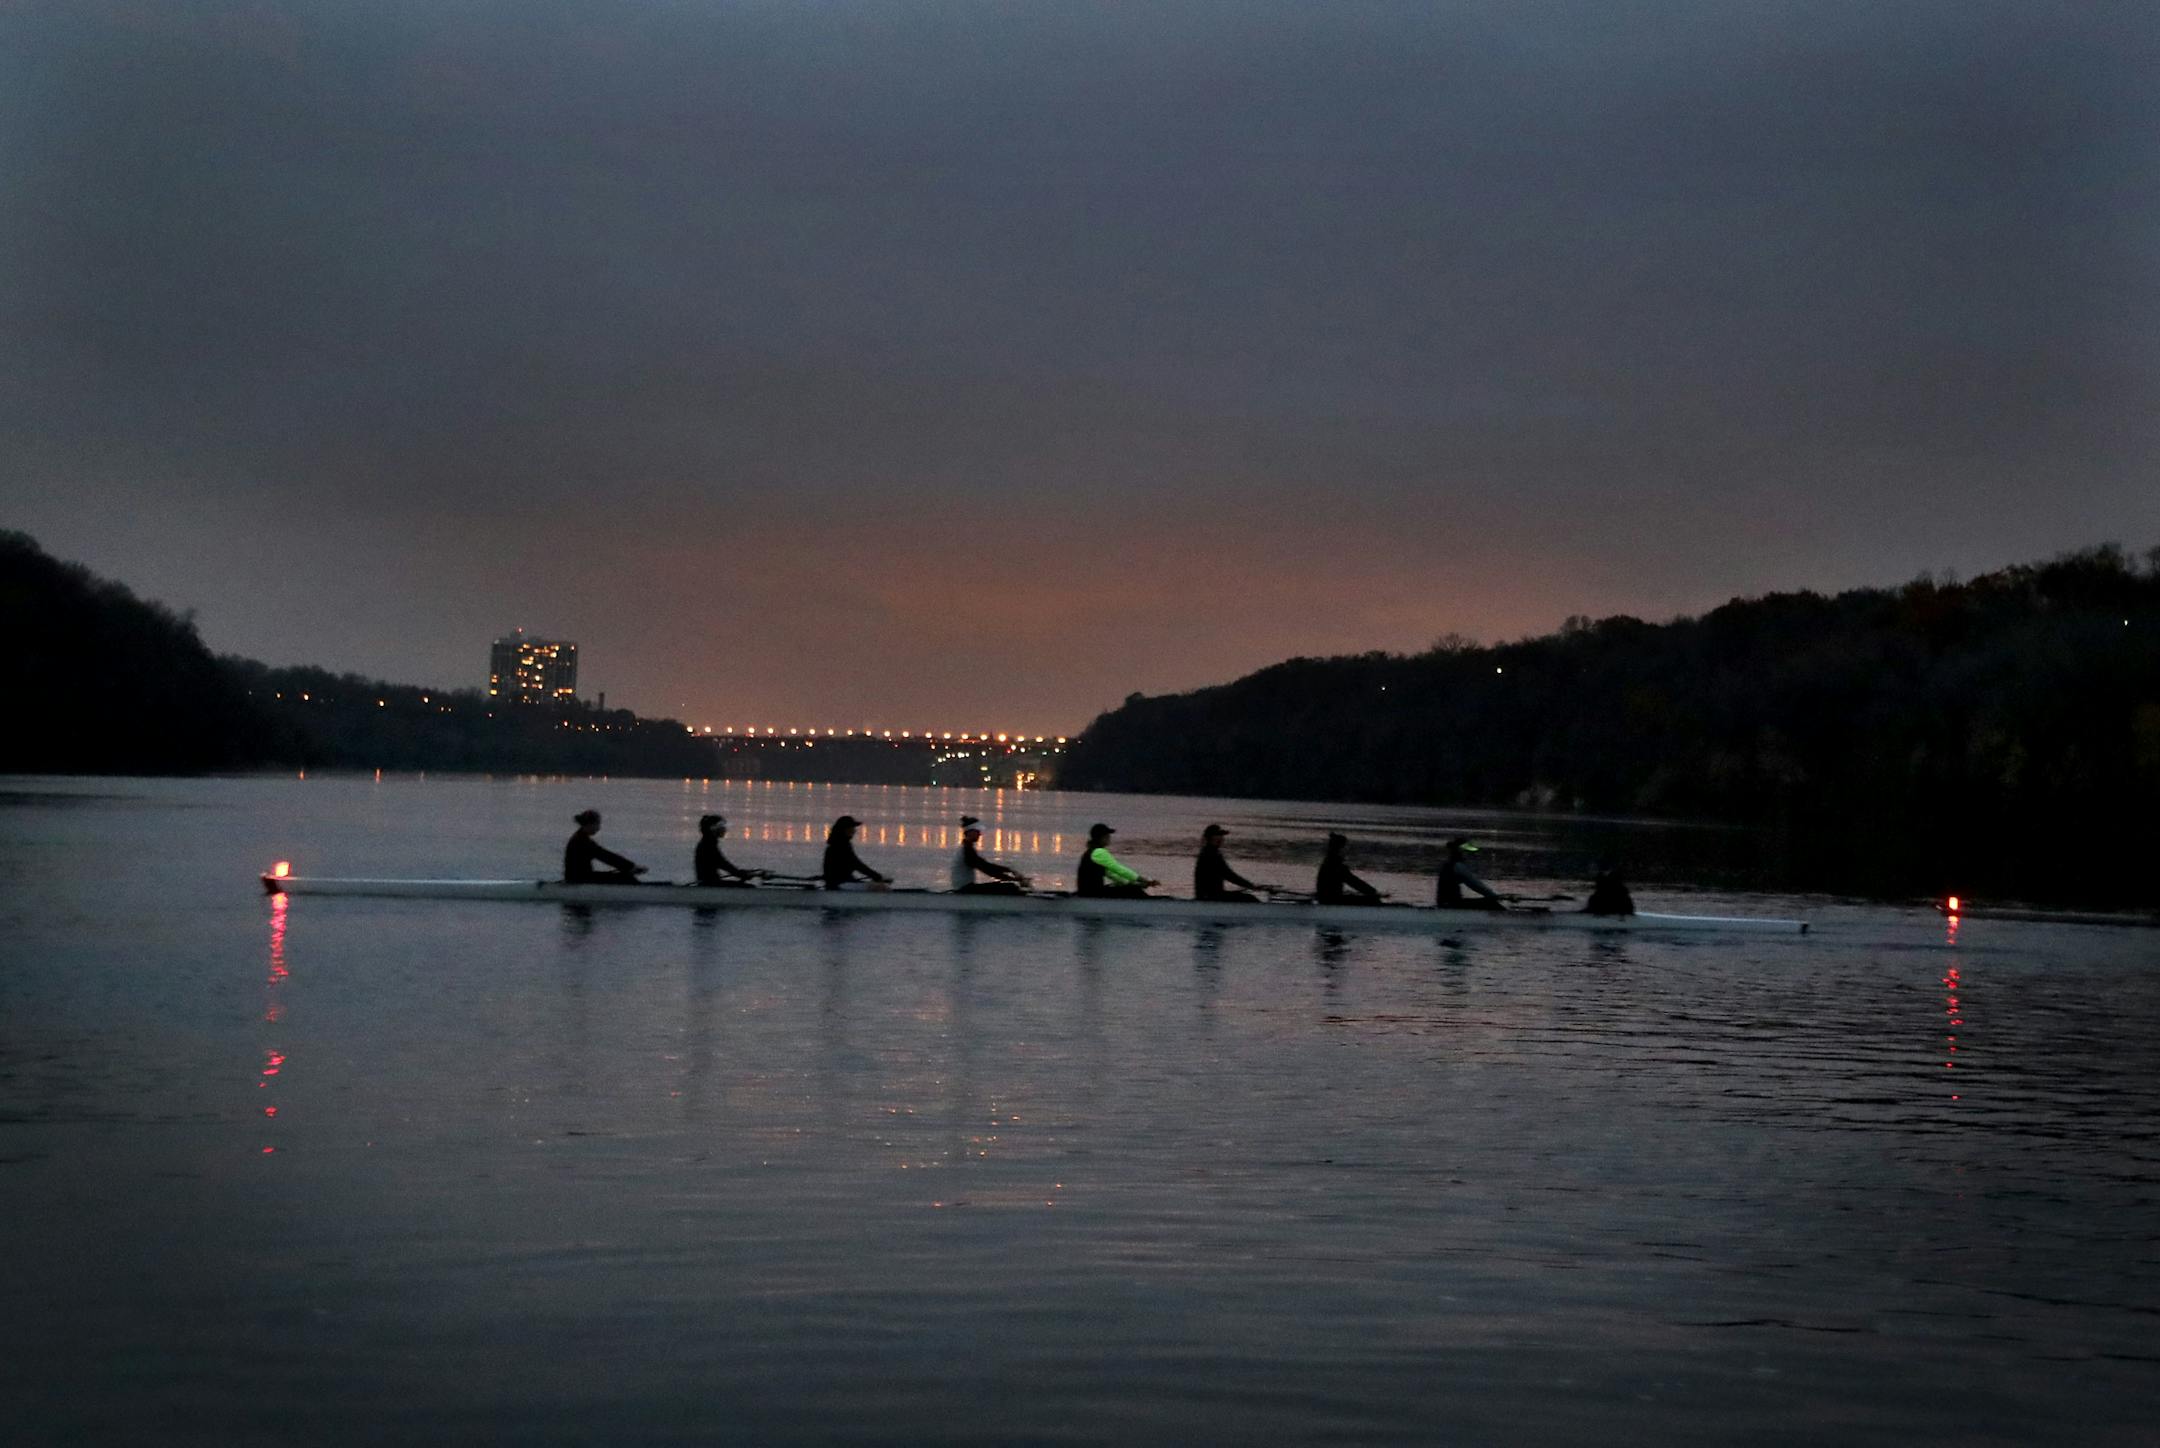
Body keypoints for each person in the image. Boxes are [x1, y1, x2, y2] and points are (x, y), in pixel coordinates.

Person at [563, 809, 645, 885]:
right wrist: (630, 867)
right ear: (589, 824)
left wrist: (628, 867)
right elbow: (605, 856)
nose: (599, 828)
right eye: (597, 824)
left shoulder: (581, 838)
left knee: (622, 875)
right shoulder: (581, 841)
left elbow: (604, 855)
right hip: (579, 880)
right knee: (625, 877)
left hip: (580, 877)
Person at [1076, 823, 1157, 898]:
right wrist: (1141, 879)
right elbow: (1119, 869)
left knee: (1132, 888)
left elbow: (1112, 874)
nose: (1109, 838)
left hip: (1087, 892)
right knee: (1133, 891)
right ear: (1101, 838)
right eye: (1107, 836)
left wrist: (1135, 884)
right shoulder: (1099, 852)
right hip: (1093, 893)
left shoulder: (1091, 852)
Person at [952, 817, 1029, 895]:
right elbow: (987, 869)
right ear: (969, 832)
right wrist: (1013, 879)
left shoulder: (967, 848)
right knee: (1009, 887)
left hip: (966, 888)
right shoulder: (967, 850)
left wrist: (1009, 870)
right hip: (965, 890)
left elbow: (987, 866)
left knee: (1009, 886)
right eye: (977, 831)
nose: (980, 834)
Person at [1193, 824, 1263, 903]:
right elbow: (1228, 875)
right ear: (1211, 837)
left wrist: (1250, 886)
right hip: (1209, 897)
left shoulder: (1211, 852)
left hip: (1212, 895)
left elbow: (1228, 874)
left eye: (1222, 836)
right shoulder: (1210, 854)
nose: (1222, 838)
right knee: (1250, 899)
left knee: (1246, 897)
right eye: (1219, 835)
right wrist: (1250, 886)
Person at [693, 814, 765, 887]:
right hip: (710, 884)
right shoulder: (708, 845)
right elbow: (724, 865)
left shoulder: (707, 843)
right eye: (722, 827)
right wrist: (743, 874)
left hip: (709, 882)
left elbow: (724, 864)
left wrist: (745, 873)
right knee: (750, 887)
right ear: (713, 829)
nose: (725, 829)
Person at [1435, 836, 1505, 909]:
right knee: (1491, 904)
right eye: (1467, 852)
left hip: (1444, 903)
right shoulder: (1458, 866)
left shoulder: (1448, 864)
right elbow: (1476, 885)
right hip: (1451, 905)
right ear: (1461, 851)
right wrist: (1494, 896)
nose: (1470, 855)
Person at [822, 815, 890, 890]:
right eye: (852, 828)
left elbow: (854, 865)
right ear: (844, 829)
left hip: (841, 883)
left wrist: (875, 876)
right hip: (840, 884)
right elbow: (857, 864)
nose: (854, 830)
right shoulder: (841, 846)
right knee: (882, 888)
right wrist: (877, 876)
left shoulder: (838, 844)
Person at [1315, 831, 1383, 904]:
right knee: (1374, 901)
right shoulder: (1334, 863)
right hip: (1332, 898)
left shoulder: (1329, 861)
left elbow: (1352, 880)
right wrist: (1371, 891)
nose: (1345, 851)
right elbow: (1352, 880)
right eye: (1344, 847)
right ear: (1339, 848)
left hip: (1327, 897)